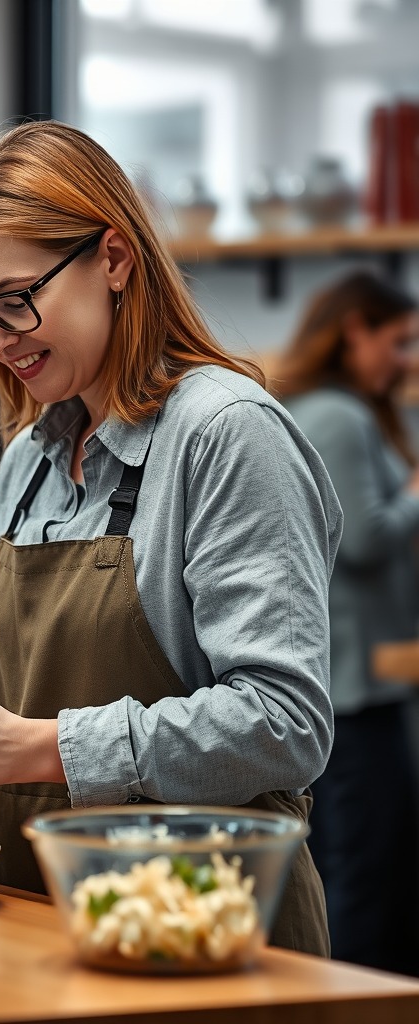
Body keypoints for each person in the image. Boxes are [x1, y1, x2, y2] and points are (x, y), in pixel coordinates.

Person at [0, 119, 342, 956]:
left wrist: (39, 748)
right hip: (37, 922)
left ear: (113, 259)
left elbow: (283, 721)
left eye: (15, 300)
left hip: (204, 935)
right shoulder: (31, 457)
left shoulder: (225, 434)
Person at [275, 269, 419, 976]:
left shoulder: (322, 408)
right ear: (355, 330)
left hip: (356, 680)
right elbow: (362, 539)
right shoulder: (338, 415)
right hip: (354, 687)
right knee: (366, 877)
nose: (407, 359)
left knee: (359, 867)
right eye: (399, 342)